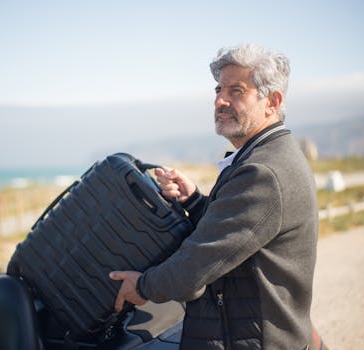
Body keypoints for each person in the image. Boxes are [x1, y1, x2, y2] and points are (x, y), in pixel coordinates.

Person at [110, 44, 322, 349]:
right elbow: (237, 233)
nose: (220, 100)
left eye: (236, 90)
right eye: (219, 88)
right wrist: (194, 200)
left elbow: (197, 263)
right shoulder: (267, 155)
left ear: (272, 102)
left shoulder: (264, 171)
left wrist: (142, 286)